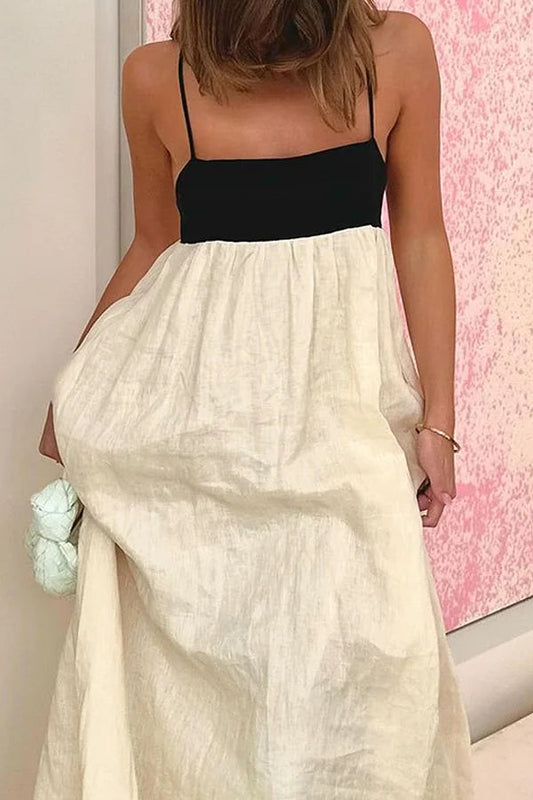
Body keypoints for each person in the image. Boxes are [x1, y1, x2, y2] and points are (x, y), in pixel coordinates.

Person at [34, 1, 474, 797]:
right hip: (199, 431)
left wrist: (438, 421)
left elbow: (420, 233)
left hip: (341, 415)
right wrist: (78, 392)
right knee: (212, 689)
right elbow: (155, 242)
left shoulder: (396, 51)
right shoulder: (155, 77)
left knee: (377, 656)